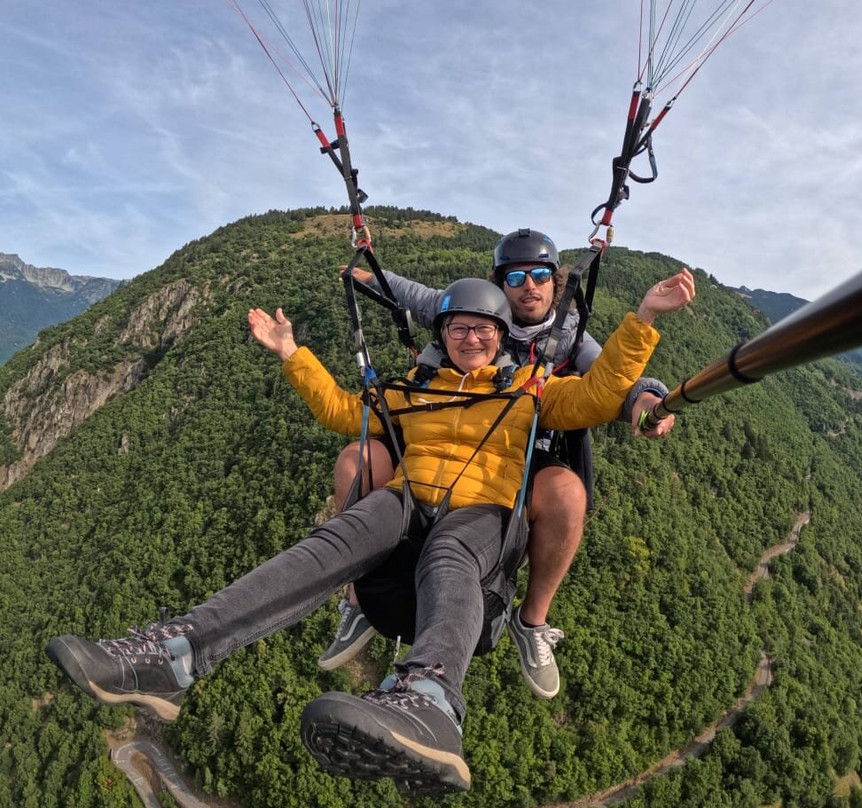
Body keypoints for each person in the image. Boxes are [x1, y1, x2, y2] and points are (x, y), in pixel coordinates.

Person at [46, 270, 695, 795]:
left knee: (450, 554)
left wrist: (644, 318)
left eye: (483, 328)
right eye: (458, 327)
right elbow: (341, 413)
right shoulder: (415, 391)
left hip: (484, 513)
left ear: (501, 338)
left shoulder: (531, 392)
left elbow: (603, 395)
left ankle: (432, 699)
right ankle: (178, 652)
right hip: (408, 497)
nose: (470, 337)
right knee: (337, 536)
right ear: (444, 334)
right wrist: (292, 354)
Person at [258, 228, 676, 700]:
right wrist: (368, 276)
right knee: (356, 458)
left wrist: (648, 396)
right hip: (440, 431)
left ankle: (531, 621)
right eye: (516, 277)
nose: (529, 286)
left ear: (554, 283)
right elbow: (415, 298)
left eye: (540, 275)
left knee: (566, 494)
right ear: (498, 288)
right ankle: (359, 597)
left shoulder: (567, 333)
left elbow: (608, 386)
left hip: (522, 449)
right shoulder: (472, 312)